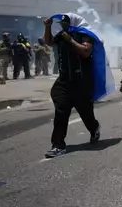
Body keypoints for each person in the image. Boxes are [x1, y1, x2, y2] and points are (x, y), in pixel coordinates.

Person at [44, 14, 101, 158]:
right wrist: (48, 27)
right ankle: (57, 145)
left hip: (81, 82)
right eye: (61, 23)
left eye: (65, 23)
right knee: (61, 111)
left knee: (86, 113)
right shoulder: (62, 35)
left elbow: (86, 52)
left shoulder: (85, 35)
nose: (63, 25)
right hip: (64, 81)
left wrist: (70, 40)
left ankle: (94, 128)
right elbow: (49, 42)